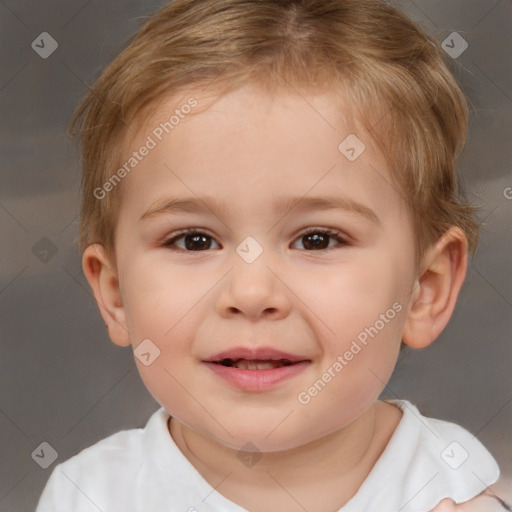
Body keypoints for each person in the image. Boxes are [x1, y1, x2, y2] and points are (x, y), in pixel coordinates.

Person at [36, 1, 509, 510]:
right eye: (194, 240)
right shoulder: (91, 495)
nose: (252, 293)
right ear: (114, 293)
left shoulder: (455, 482)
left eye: (317, 239)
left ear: (425, 289)